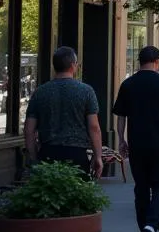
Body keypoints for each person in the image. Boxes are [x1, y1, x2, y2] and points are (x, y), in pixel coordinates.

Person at [113, 46, 159, 232]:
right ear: (157, 61)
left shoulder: (128, 84)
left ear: (139, 62)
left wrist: (121, 140)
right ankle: (151, 225)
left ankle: (143, 231)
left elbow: (121, 117)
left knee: (141, 188)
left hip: (137, 144)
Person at [23, 46, 103, 179]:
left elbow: (29, 129)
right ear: (73, 65)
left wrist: (33, 157)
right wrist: (98, 156)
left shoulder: (40, 92)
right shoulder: (86, 91)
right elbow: (94, 127)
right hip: (76, 153)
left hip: (48, 151)